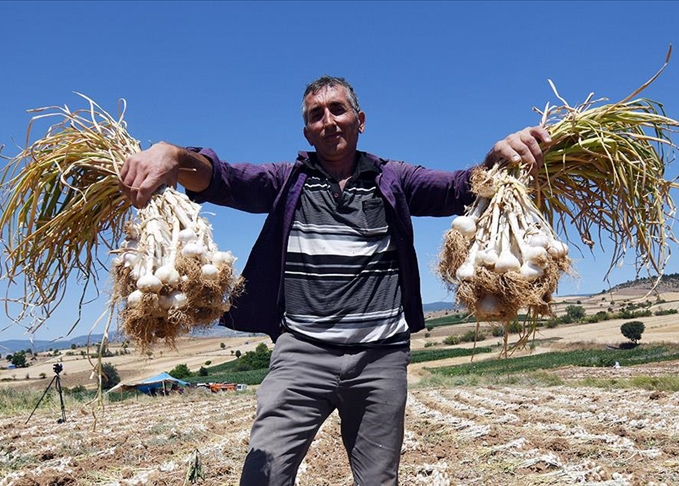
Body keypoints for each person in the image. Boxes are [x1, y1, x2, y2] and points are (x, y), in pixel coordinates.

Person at [119, 75, 551, 486]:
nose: (328, 121)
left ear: (359, 121)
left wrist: (498, 159)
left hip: (379, 359)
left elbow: (461, 187)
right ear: (307, 132)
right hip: (301, 355)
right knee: (261, 476)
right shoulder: (287, 182)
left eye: (337, 110)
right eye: (315, 115)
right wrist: (174, 156)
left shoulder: (393, 179)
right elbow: (222, 178)